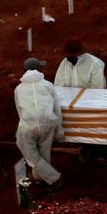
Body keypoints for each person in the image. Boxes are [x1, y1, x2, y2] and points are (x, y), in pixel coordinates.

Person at [14, 57, 65, 190]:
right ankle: (39, 177)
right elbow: (57, 108)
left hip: (28, 125)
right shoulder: (48, 85)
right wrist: (59, 131)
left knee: (31, 155)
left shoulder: (19, 89)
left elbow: (19, 110)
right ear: (39, 70)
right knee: (44, 152)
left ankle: (54, 178)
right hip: (49, 122)